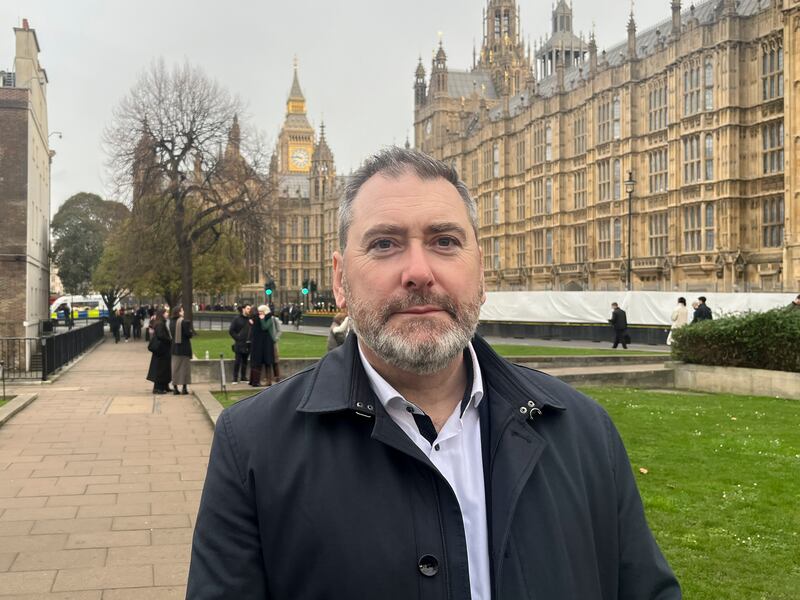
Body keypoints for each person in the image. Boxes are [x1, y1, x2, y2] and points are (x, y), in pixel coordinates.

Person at [187, 147, 680, 599]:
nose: (419, 271)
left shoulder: (586, 434)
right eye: (384, 244)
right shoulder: (252, 448)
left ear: (481, 272)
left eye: (445, 241)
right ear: (339, 279)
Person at [248, 304, 277, 387]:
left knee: (267, 362)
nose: (260, 313)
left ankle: (269, 380)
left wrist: (262, 320)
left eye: (261, 312)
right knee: (260, 362)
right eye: (259, 312)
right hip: (262, 344)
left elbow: (265, 327)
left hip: (267, 343)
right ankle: (256, 381)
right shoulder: (258, 319)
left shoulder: (268, 319)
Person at [146, 307, 172, 394]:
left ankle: (165, 386)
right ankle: (158, 388)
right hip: (161, 350)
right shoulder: (160, 324)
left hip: (162, 350)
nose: (167, 314)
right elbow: (161, 335)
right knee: (161, 369)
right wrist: (169, 339)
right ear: (162, 314)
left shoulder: (161, 323)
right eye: (166, 313)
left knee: (165, 369)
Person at [169, 306, 194, 395]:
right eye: (182, 310)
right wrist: (190, 331)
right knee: (185, 369)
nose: (183, 312)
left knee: (175, 369)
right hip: (184, 348)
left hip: (175, 348)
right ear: (179, 312)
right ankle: (184, 388)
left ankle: (175, 388)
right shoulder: (184, 322)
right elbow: (189, 334)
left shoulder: (171, 322)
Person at [228, 304, 252, 384]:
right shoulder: (237, 319)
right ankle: (235, 378)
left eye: (250, 309)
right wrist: (237, 338)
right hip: (239, 344)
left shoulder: (250, 319)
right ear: (243, 309)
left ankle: (243, 377)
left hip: (248, 343)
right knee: (237, 361)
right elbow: (231, 331)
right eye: (248, 308)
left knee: (245, 361)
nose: (249, 310)